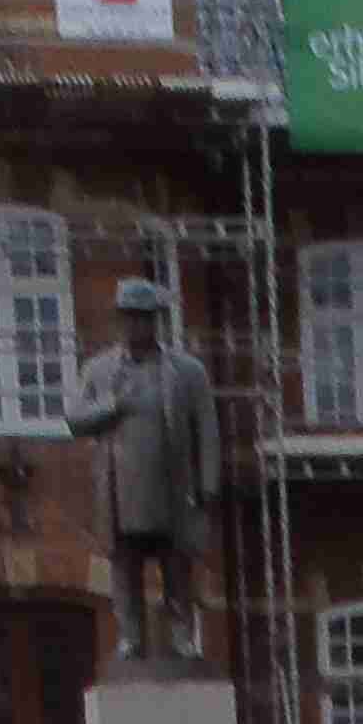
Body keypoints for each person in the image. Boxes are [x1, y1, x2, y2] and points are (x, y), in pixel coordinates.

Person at [66, 277, 222, 662]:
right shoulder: (99, 370)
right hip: (120, 488)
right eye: (130, 317)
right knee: (125, 565)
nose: (136, 325)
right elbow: (75, 418)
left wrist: (208, 486)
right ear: (120, 321)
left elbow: (207, 430)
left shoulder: (188, 371)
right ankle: (130, 636)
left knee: (177, 565)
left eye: (144, 317)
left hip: (173, 486)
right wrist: (113, 406)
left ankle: (182, 635)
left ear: (156, 321)